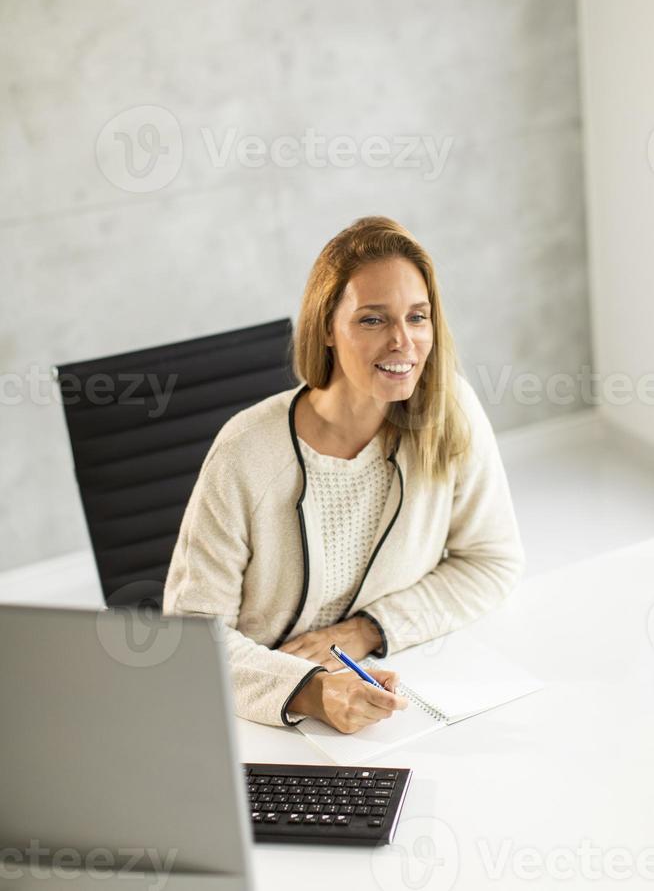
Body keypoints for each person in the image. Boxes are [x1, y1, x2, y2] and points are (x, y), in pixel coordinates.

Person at [163, 216, 525, 732]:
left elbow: (492, 562)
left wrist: (367, 631)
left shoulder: (450, 411)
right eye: (373, 320)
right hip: (253, 710)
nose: (403, 341)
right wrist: (311, 691)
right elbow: (191, 639)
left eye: (418, 317)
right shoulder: (246, 452)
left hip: (385, 690)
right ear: (328, 328)